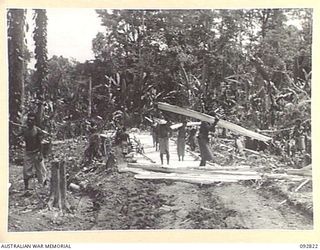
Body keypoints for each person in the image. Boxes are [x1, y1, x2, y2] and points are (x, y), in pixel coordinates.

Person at [17, 113, 49, 194]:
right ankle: (26, 188)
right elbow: (17, 135)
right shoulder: (25, 129)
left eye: (32, 120)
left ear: (34, 121)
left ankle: (43, 186)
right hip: (28, 152)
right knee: (26, 170)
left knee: (41, 169)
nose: (30, 121)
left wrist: (40, 154)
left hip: (37, 152)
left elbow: (41, 143)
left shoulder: (37, 130)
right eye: (29, 119)